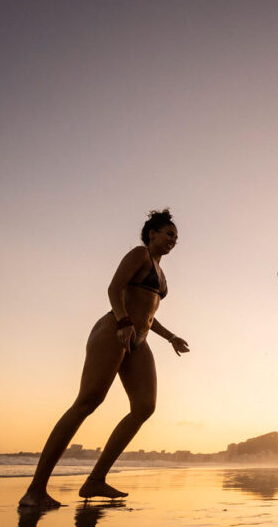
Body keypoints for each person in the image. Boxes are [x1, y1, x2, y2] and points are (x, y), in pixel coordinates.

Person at [19, 210, 189, 508]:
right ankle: (35, 490)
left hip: (139, 338)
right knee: (88, 401)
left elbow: (149, 316)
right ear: (152, 233)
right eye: (169, 233)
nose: (174, 240)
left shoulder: (162, 276)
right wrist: (123, 323)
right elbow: (114, 288)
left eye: (176, 236)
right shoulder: (140, 255)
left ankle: (96, 480)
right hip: (114, 328)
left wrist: (170, 337)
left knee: (144, 408)